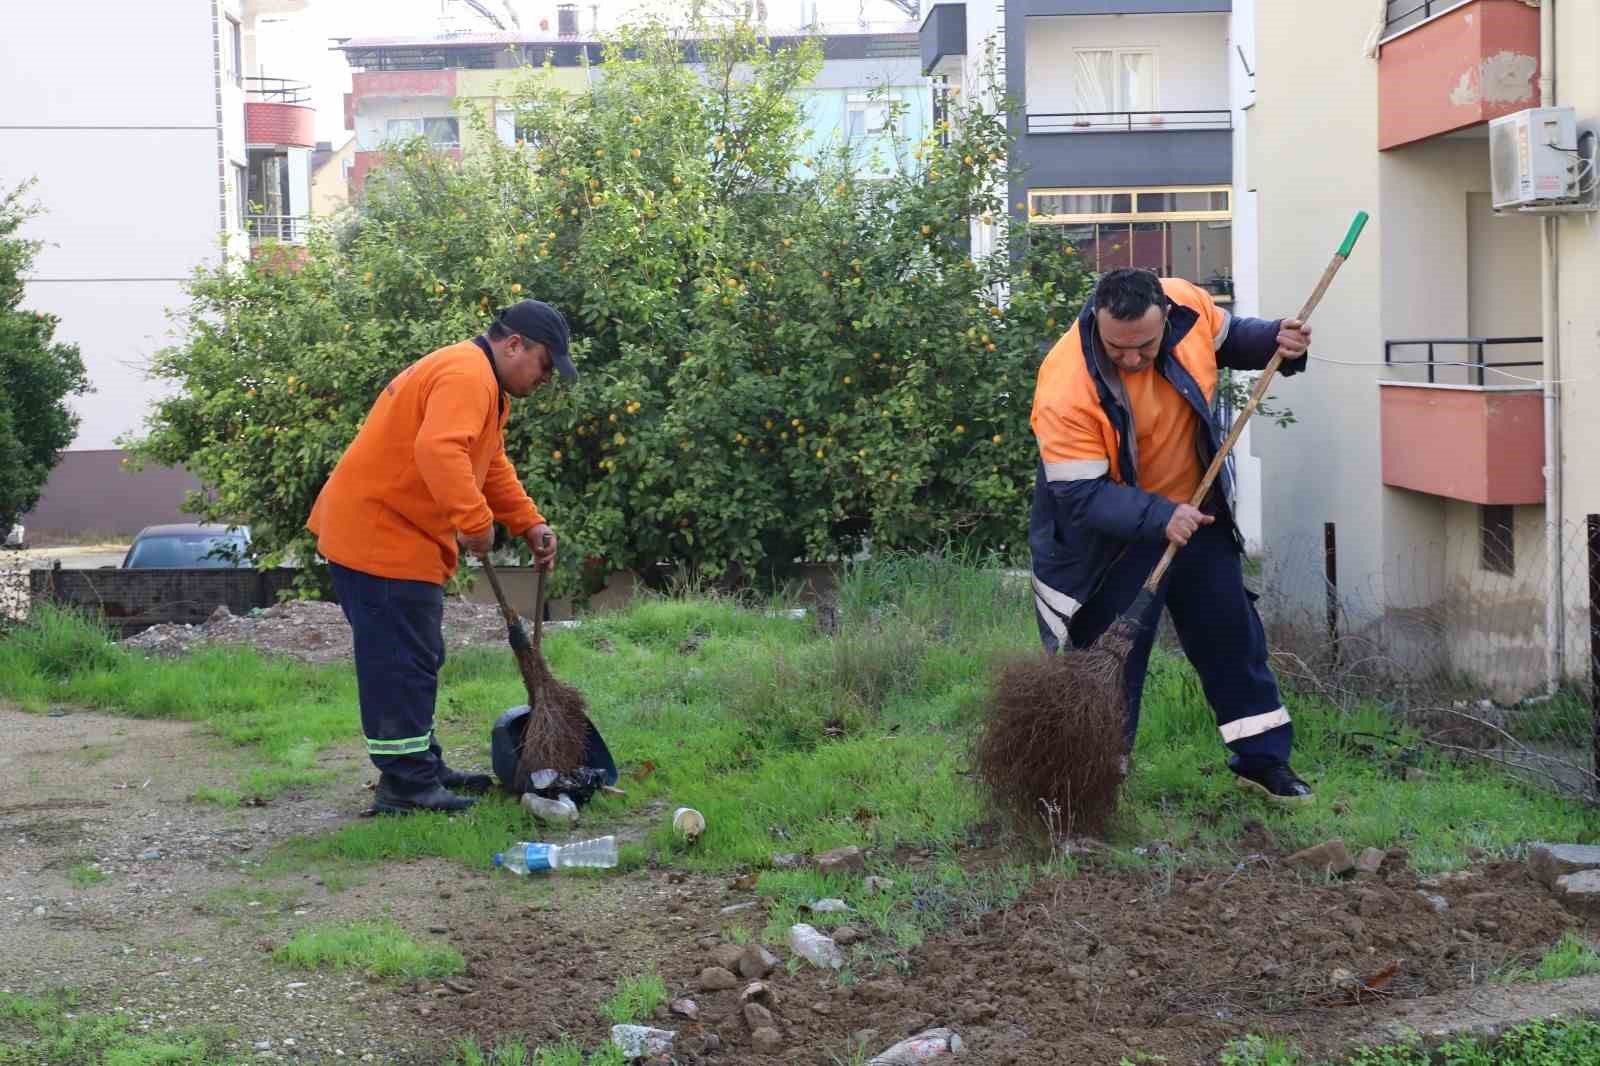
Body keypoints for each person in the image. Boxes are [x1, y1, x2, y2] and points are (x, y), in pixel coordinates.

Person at [1028, 268, 1315, 804]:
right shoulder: (1066, 385)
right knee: (1107, 663)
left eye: (1145, 345)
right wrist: (1162, 517)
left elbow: (1232, 339)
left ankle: (1263, 764)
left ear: (1166, 317)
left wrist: (1279, 338)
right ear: (1096, 321)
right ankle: (1098, 783)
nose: (1133, 359)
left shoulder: (1188, 306)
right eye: (1118, 349)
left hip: (1196, 514)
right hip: (1113, 539)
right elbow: (1082, 497)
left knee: (1232, 637)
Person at [308, 299, 577, 814]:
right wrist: (476, 523)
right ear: (514, 343)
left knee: (418, 658)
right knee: (400, 664)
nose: (547, 377)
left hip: (394, 539)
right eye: (546, 363)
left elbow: (488, 461)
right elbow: (440, 450)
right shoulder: (466, 375)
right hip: (378, 540)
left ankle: (421, 767)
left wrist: (529, 522)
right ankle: (406, 787)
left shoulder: (484, 384)